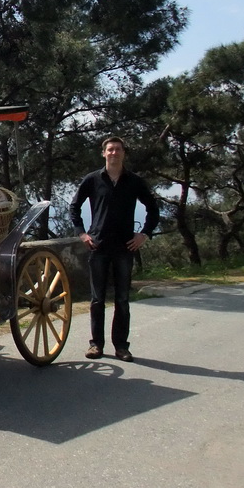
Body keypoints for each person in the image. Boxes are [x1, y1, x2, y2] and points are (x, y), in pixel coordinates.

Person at [69, 135, 160, 362]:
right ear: (104, 153)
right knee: (97, 300)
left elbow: (153, 209)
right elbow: (74, 207)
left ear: (123, 153)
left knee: (122, 300)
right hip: (98, 245)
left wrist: (144, 234)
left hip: (124, 247)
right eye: (110, 149)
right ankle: (96, 345)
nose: (114, 153)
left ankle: (121, 347)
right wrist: (82, 233)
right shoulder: (92, 179)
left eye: (118, 149)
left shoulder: (134, 181)